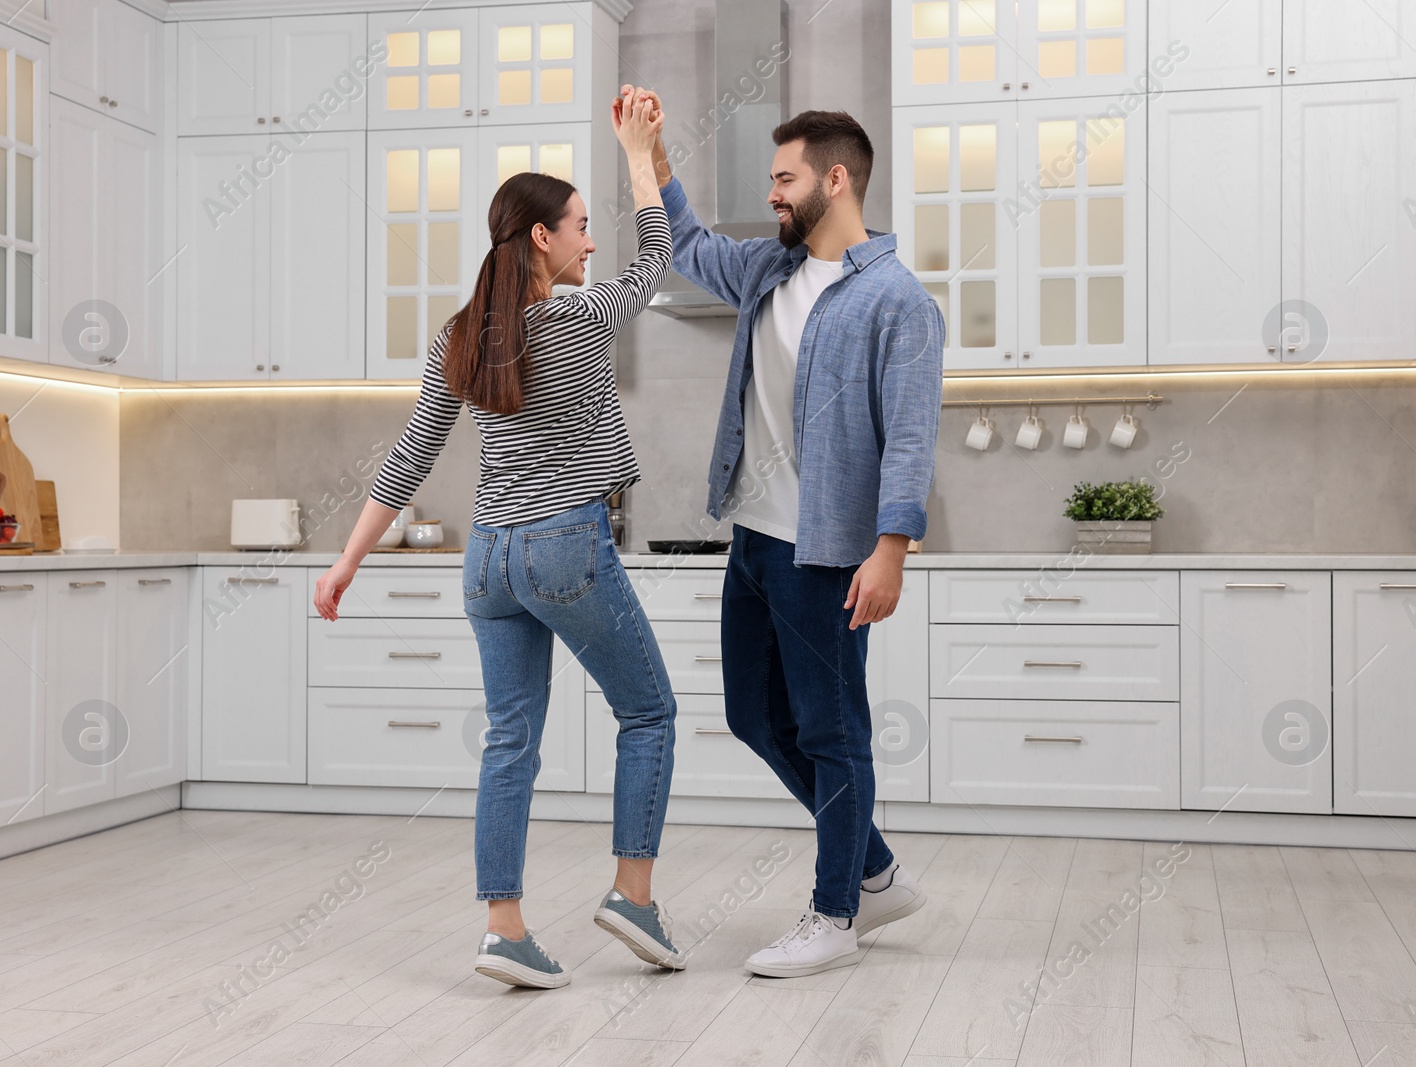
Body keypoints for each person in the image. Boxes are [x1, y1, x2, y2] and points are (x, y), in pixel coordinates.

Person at [314, 90, 684, 991]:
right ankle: (632, 895)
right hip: (564, 544)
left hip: (489, 560)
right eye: (582, 228)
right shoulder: (576, 316)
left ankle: (504, 929)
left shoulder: (461, 333)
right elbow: (656, 262)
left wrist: (346, 561)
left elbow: (410, 456)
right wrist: (640, 152)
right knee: (650, 713)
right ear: (543, 240)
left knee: (509, 740)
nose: (593, 243)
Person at [624, 87, 944, 977]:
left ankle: (836, 912)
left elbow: (912, 436)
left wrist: (891, 548)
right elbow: (686, 243)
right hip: (756, 542)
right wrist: (648, 153)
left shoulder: (897, 302)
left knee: (833, 730)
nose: (772, 195)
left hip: (828, 550)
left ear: (835, 180)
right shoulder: (770, 272)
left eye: (783, 178)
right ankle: (874, 866)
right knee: (751, 713)